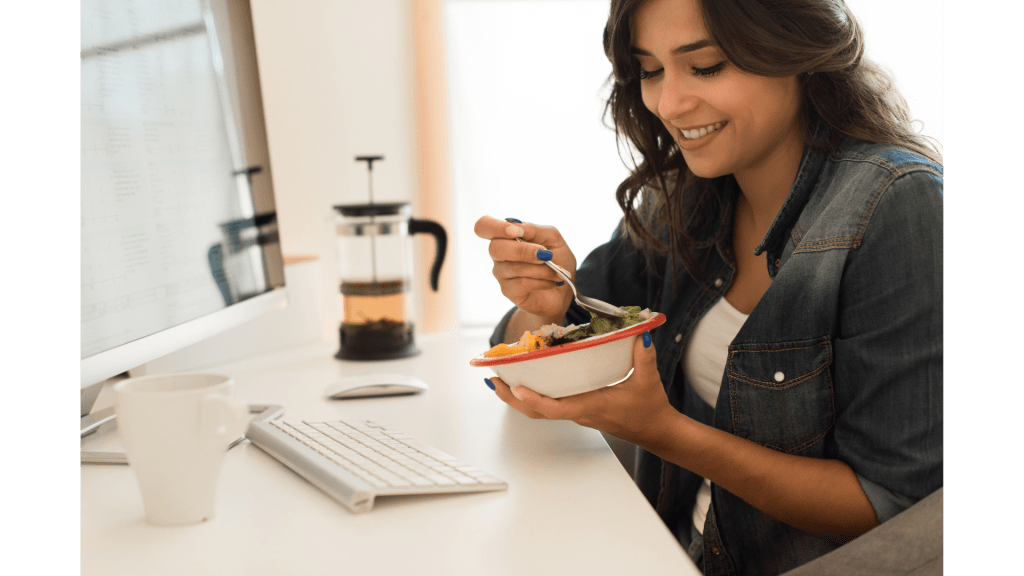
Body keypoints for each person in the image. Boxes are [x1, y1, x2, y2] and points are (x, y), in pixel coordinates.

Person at [473, 0, 943, 574]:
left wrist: (666, 433)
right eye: (650, 71)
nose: (669, 104)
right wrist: (543, 309)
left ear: (794, 52)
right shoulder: (684, 199)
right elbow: (520, 351)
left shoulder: (900, 206)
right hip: (665, 551)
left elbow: (890, 503)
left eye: (707, 66)